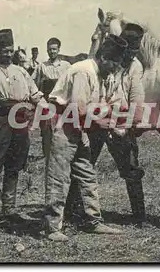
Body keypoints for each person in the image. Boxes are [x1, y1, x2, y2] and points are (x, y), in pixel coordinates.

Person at [42, 34, 128, 242]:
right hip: (62, 123)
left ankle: (93, 221)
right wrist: (104, 124)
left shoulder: (102, 74)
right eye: (114, 62)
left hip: (79, 127)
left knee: (87, 174)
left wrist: (112, 120)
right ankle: (52, 227)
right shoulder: (84, 71)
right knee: (59, 176)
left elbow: (109, 103)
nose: (116, 67)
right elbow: (78, 109)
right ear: (105, 58)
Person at [64, 23, 148, 227]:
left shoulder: (135, 66)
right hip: (98, 117)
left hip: (120, 119)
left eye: (134, 52)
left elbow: (136, 96)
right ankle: (70, 211)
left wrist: (132, 122)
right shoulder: (106, 60)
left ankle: (139, 215)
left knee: (131, 167)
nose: (128, 57)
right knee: (84, 163)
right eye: (127, 52)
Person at [0, 29, 44, 227]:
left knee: (14, 165)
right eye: (3, 50)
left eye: (11, 50)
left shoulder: (21, 72)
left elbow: (35, 95)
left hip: (20, 122)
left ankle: (9, 208)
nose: (8, 53)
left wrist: (50, 108)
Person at [32, 38, 71, 157]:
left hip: (63, 103)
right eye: (49, 49)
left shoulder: (66, 66)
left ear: (59, 50)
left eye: (54, 49)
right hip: (48, 104)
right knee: (47, 130)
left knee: (63, 129)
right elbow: (34, 83)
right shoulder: (41, 67)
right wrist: (40, 98)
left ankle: (61, 155)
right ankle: (47, 155)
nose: (52, 52)